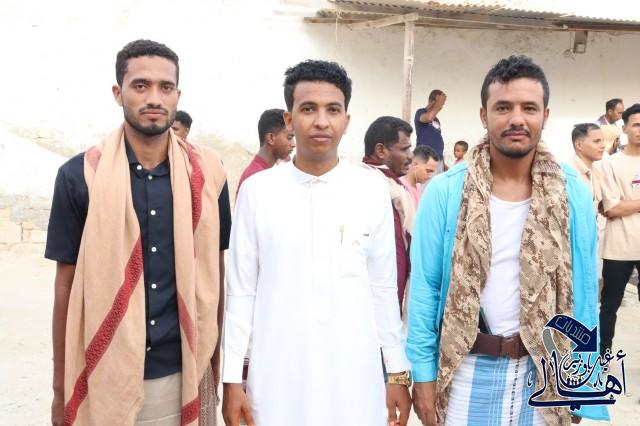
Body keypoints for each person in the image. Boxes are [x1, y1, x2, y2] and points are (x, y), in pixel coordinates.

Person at [407, 55, 607, 426]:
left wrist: (581, 383)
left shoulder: (572, 192)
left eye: (529, 108)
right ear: (484, 116)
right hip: (465, 369)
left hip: (545, 371)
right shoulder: (446, 192)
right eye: (503, 108)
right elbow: (425, 288)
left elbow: (583, 290)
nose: (517, 119)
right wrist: (422, 374)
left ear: (545, 116)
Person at [45, 39, 232, 426]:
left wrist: (216, 364)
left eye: (166, 87)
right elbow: (65, 285)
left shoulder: (209, 175)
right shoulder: (80, 177)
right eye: (141, 86)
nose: (154, 98)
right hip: (104, 376)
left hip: (183, 371)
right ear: (118, 93)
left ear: (178, 95)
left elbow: (217, 271)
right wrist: (61, 390)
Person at [222, 60, 412, 426]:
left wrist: (397, 372)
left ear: (346, 120)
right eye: (308, 109)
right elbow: (242, 291)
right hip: (277, 379)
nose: (321, 121)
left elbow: (383, 288)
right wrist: (232, 378)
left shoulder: (370, 189)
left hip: (354, 378)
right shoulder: (258, 192)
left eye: (333, 110)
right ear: (289, 119)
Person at [598, 103, 640, 356]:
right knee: (609, 305)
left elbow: (620, 205)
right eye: (636, 124)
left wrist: (628, 204)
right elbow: (611, 207)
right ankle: (603, 355)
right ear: (624, 128)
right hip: (618, 247)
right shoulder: (611, 164)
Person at [362, 116, 415, 310]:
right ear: (381, 150)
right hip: (374, 302)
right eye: (404, 149)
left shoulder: (392, 187)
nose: (410, 156)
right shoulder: (369, 188)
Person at [235, 108, 295, 196]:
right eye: (289, 138)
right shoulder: (255, 177)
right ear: (271, 138)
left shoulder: (265, 172)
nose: (294, 144)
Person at [570, 123, 605, 203]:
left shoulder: (597, 171)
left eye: (603, 141)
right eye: (597, 141)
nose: (603, 146)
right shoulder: (569, 174)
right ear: (579, 145)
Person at [415, 89, 446, 172]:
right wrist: (438, 104)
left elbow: (437, 138)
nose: (441, 107)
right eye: (441, 103)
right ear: (432, 101)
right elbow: (428, 118)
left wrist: (442, 161)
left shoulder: (436, 119)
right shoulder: (420, 112)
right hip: (426, 158)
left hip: (438, 159)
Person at [400, 145, 439, 211]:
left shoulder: (418, 186)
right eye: (428, 171)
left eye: (432, 172)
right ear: (415, 165)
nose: (430, 176)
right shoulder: (401, 187)